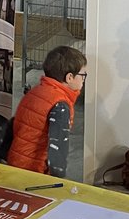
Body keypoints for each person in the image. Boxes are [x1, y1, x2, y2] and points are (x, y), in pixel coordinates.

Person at [6, 46, 86, 178]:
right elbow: (58, 149)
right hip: (34, 172)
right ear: (70, 77)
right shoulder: (60, 105)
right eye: (83, 75)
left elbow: (14, 125)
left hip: (15, 163)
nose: (83, 80)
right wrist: (57, 180)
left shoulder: (35, 92)